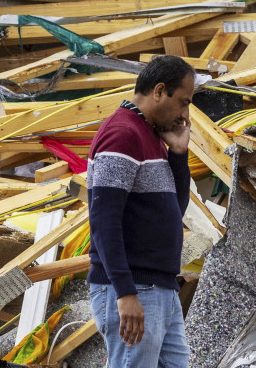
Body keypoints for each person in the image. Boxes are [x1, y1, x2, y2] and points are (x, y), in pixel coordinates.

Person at [87, 54, 195, 367]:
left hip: (160, 287)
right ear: (160, 91)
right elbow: (104, 220)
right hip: (135, 288)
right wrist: (125, 292)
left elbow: (176, 211)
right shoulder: (123, 134)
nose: (185, 115)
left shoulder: (147, 134)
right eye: (183, 102)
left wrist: (178, 154)